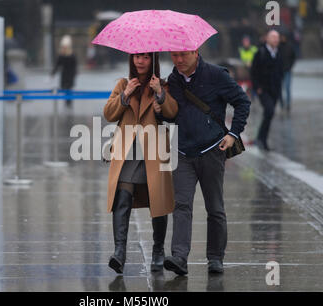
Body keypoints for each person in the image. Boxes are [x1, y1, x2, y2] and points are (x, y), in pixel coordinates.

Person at [162, 49, 251, 275]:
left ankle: (215, 257)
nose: (179, 60)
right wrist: (160, 105)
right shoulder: (172, 80)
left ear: (195, 52)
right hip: (182, 151)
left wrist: (233, 134)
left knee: (215, 207)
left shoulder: (216, 75)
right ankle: (180, 256)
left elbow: (242, 102)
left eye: (183, 55)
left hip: (212, 150)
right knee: (181, 205)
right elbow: (172, 115)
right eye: (174, 56)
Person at [103, 52, 178, 274]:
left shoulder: (162, 85)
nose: (140, 61)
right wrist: (124, 95)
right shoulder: (123, 84)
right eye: (136, 57)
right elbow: (108, 113)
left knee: (158, 199)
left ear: (152, 60)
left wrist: (160, 96)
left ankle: (157, 250)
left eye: (145, 57)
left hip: (153, 150)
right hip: (128, 150)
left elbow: (173, 112)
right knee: (122, 196)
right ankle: (119, 252)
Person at [251, 30, 283, 151]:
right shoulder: (260, 52)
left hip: (275, 89)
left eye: (277, 37)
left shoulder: (278, 53)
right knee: (269, 111)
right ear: (267, 39)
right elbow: (254, 71)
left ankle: (261, 138)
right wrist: (257, 88)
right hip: (263, 89)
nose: (276, 40)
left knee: (269, 115)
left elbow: (281, 70)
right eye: (273, 37)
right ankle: (262, 139)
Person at [52, 35, 77, 108]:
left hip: (70, 75)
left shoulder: (72, 55)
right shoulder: (61, 56)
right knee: (65, 89)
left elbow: (74, 66)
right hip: (64, 75)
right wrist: (53, 73)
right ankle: (67, 103)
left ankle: (69, 103)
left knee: (69, 89)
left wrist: (74, 73)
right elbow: (57, 65)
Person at [279, 33, 296, 113]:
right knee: (280, 88)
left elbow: (293, 57)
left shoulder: (289, 46)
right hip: (279, 71)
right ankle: (282, 104)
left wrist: (290, 65)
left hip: (287, 70)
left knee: (287, 88)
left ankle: (288, 104)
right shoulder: (278, 47)